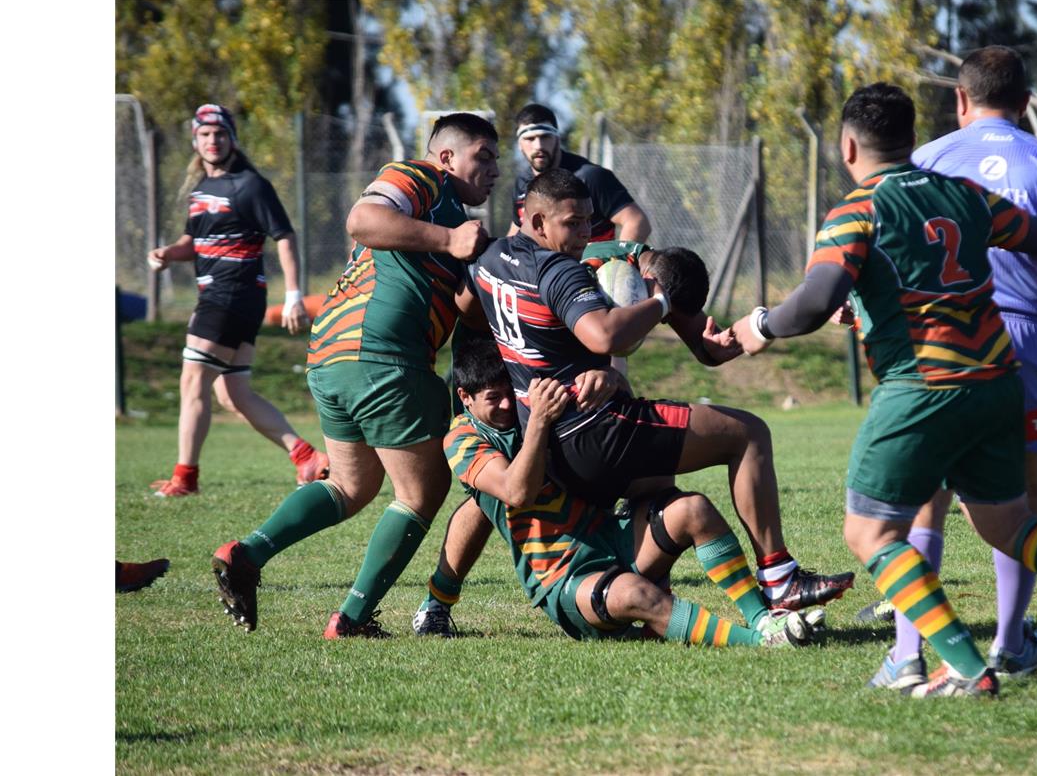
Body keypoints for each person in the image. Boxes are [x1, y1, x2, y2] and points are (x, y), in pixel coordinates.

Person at [731, 82, 1037, 697]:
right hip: (998, 383)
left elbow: (815, 303)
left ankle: (964, 667)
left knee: (870, 533)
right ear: (913, 141)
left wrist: (756, 325)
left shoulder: (856, 211)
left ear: (847, 146)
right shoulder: (962, 194)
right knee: (1013, 523)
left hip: (923, 386)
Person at [851, 45, 1037, 689]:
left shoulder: (927, 160)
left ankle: (909, 654)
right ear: (1028, 102)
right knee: (1025, 504)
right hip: (1025, 345)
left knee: (922, 502)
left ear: (960, 100)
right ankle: (1009, 644)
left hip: (940, 341)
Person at [467, 181, 854, 611]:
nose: (584, 234)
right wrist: (661, 302)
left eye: (589, 222)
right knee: (747, 434)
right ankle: (780, 577)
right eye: (572, 224)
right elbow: (607, 335)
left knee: (658, 487)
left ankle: (649, 594)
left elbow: (471, 306)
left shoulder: (489, 260)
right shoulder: (558, 270)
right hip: (597, 428)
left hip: (552, 446)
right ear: (537, 221)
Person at [210, 113, 498, 637]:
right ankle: (353, 617)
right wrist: (450, 239)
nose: (496, 168)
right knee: (421, 493)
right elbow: (362, 219)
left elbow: (463, 305)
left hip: (334, 354)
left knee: (350, 485)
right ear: (448, 156)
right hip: (383, 354)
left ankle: (246, 553)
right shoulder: (421, 177)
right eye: (486, 155)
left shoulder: (456, 221)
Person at [414, 331, 814, 648]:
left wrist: (609, 380)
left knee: (693, 509)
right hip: (564, 578)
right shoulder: (462, 439)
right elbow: (517, 492)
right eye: (492, 399)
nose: (505, 406)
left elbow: (610, 422)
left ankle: (763, 617)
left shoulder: (529, 400)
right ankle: (758, 642)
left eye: (508, 393)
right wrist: (537, 422)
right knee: (636, 596)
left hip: (612, 537)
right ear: (464, 398)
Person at [147, 104, 328, 497]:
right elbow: (192, 243)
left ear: (232, 138)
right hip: (226, 297)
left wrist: (294, 295)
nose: (213, 141)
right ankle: (305, 457)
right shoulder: (200, 191)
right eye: (205, 135)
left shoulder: (249, 184)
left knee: (192, 380)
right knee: (233, 393)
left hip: (231, 294)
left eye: (220, 134)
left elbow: (284, 236)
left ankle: (185, 478)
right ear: (195, 141)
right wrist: (166, 254)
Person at [506, 103, 651, 243]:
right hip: (547, 267)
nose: (538, 146)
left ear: (557, 138)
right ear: (519, 144)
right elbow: (516, 233)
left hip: (589, 266)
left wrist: (616, 265)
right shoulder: (522, 183)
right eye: (530, 139)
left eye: (545, 137)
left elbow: (636, 222)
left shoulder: (590, 177)